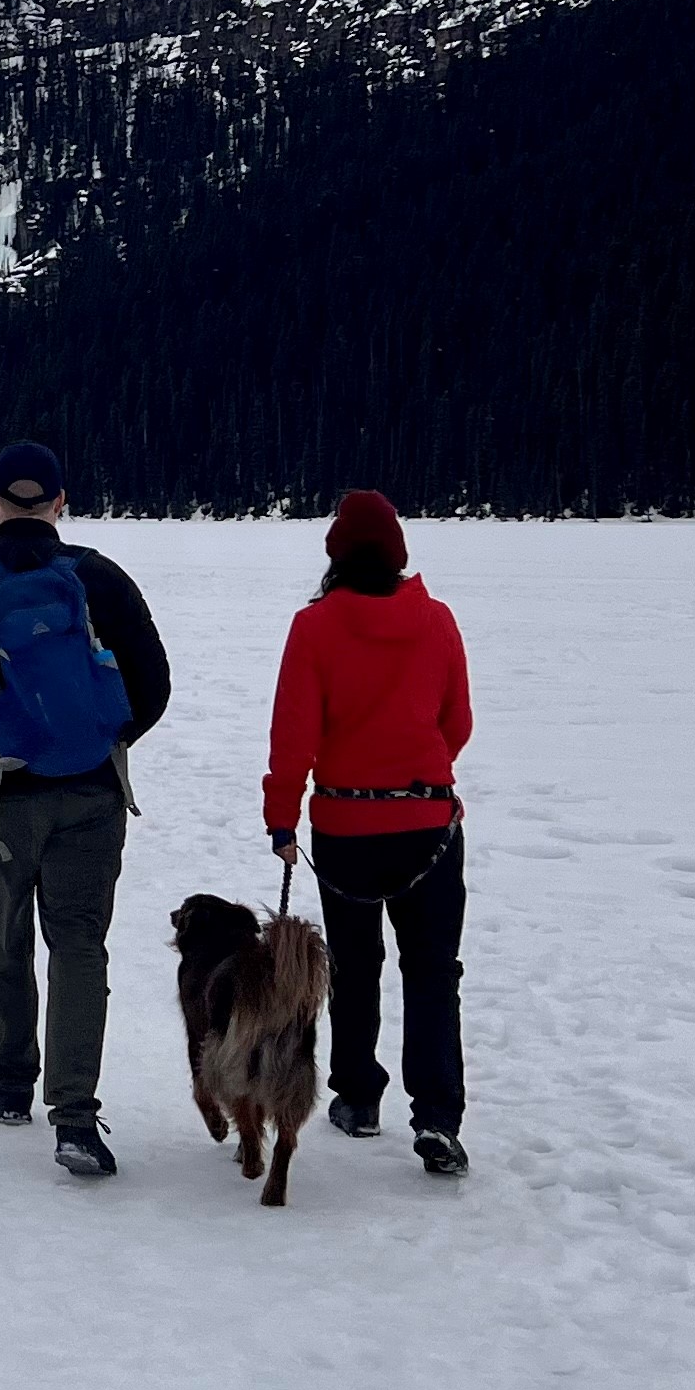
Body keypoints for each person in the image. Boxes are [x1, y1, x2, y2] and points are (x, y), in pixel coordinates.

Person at [0, 441, 172, 1177]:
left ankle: (12, 1079)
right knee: (79, 946)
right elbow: (154, 684)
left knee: (3, 936)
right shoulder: (99, 578)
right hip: (91, 796)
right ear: (60, 503)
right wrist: (97, 743)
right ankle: (76, 1118)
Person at [261, 489, 474, 1179]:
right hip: (429, 823)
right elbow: (457, 721)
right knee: (433, 972)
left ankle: (358, 1095)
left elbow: (294, 735)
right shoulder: (437, 622)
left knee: (355, 967)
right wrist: (418, 772)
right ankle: (438, 1115)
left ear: (335, 558)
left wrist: (281, 817)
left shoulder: (314, 627)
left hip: (347, 823)